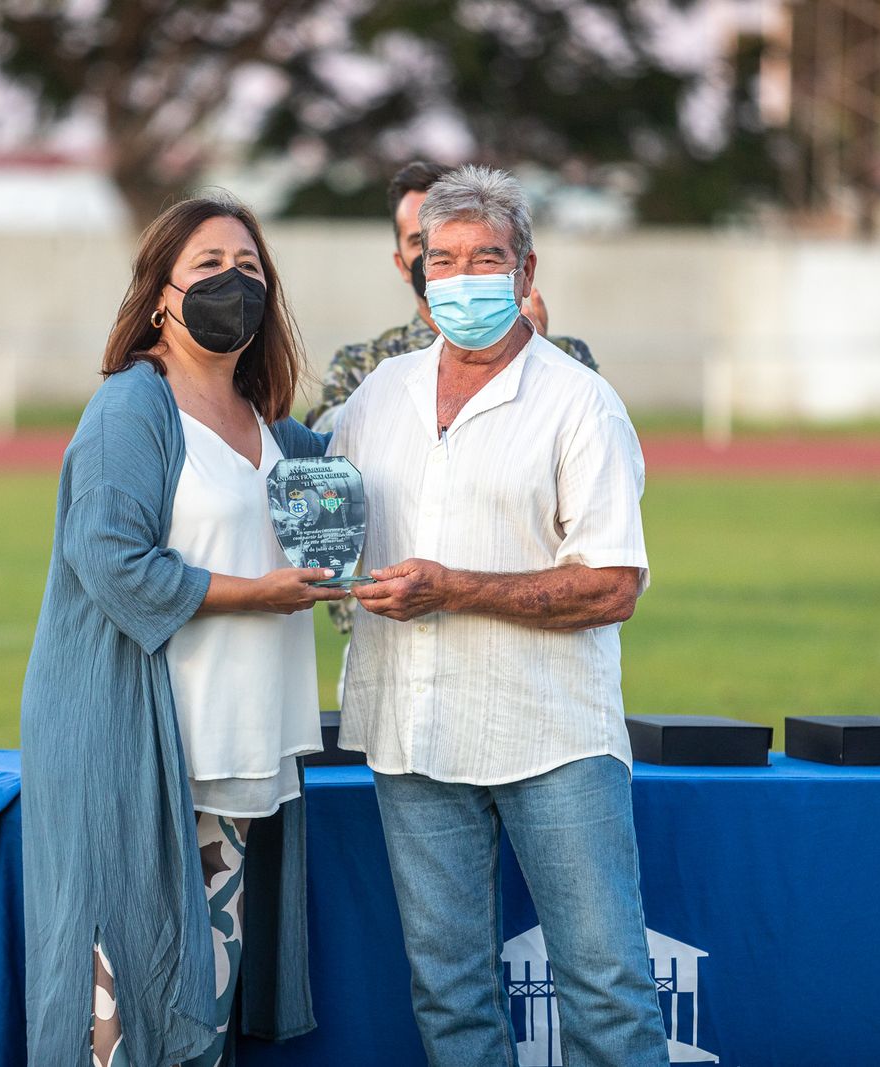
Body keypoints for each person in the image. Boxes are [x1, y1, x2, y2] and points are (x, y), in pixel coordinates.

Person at [330, 165, 669, 1066]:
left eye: (487, 258)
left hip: (549, 735)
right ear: (419, 273)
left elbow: (612, 584)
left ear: (526, 272)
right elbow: (308, 507)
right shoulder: (377, 396)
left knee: (605, 987)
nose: (463, 278)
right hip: (411, 729)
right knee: (449, 992)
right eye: (442, 260)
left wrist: (455, 587)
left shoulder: (580, 404)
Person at [20, 194, 344, 1067]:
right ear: (160, 292)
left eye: (250, 268)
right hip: (138, 754)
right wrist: (257, 593)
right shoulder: (133, 407)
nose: (232, 282)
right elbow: (108, 556)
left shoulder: (275, 430)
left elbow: (358, 483)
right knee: (117, 1022)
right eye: (208, 266)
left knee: (197, 1011)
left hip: (238, 756)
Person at [304, 159, 597, 433]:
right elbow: (332, 441)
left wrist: (529, 356)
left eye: (481, 253)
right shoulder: (367, 364)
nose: (459, 266)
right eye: (422, 242)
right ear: (402, 264)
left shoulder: (564, 355)